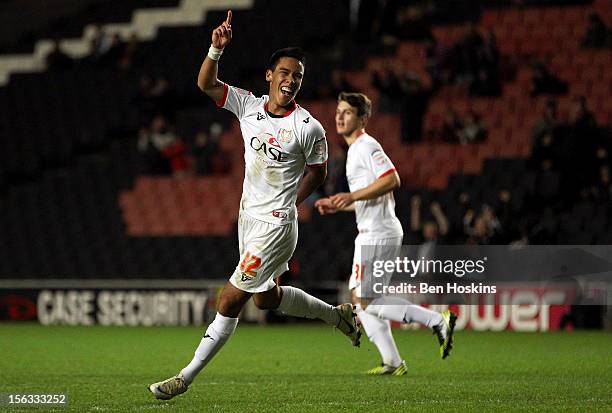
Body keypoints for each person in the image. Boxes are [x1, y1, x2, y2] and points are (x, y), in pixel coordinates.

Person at [148, 11, 360, 400]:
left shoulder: (309, 128)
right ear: (269, 75)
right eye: (285, 72)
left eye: (297, 76)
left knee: (228, 298)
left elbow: (319, 171)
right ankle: (338, 316)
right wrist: (216, 48)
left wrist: (292, 201)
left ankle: (185, 377)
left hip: (276, 227)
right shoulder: (249, 106)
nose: (291, 80)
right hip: (249, 219)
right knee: (265, 299)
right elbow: (205, 84)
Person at [315, 92, 456, 376]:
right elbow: (369, 197)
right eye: (339, 111)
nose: (340, 117)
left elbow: (392, 179)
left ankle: (437, 321)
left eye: (348, 112)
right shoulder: (354, 151)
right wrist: (339, 205)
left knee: (364, 300)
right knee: (363, 300)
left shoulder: (367, 146)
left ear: (363, 118)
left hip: (378, 233)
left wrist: (350, 195)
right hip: (371, 231)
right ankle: (392, 360)